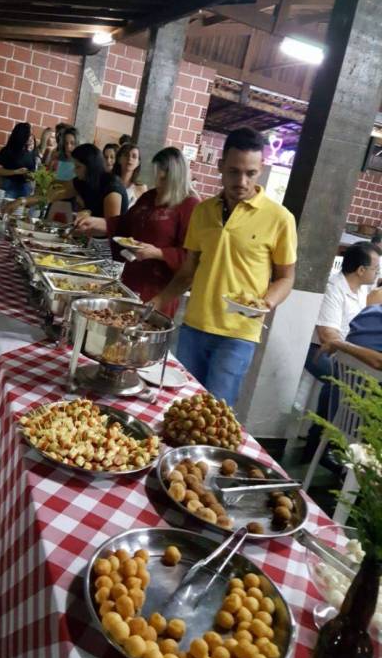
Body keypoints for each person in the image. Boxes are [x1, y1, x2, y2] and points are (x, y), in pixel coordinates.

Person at [147, 127, 297, 406]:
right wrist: (159, 300)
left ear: (261, 169)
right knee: (184, 404)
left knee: (215, 411)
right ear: (220, 166)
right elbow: (188, 270)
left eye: (250, 173)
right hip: (194, 326)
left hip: (238, 334)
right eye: (233, 171)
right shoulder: (203, 211)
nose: (242, 181)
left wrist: (266, 302)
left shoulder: (280, 218)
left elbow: (286, 278)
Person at [75, 147, 199, 316]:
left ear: (177, 177)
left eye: (164, 179)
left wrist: (158, 253)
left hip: (159, 290)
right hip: (130, 280)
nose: (158, 184)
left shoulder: (190, 205)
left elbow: (191, 257)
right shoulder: (149, 197)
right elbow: (124, 224)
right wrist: (97, 222)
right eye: (156, 178)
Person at [301, 241, 380, 462]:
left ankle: (336, 446)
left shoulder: (363, 289)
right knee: (339, 379)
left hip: (347, 352)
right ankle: (320, 444)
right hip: (318, 351)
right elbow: (328, 337)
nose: (377, 274)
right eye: (375, 269)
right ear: (361, 270)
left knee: (358, 380)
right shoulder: (334, 288)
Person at [52, 143, 128, 220]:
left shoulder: (112, 186)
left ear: (90, 167)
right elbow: (58, 191)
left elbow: (111, 224)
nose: (74, 171)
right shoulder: (83, 180)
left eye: (78, 167)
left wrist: (87, 217)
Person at [0, 122, 36, 199]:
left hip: (25, 188)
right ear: (22, 135)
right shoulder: (7, 151)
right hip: (9, 186)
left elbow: (32, 172)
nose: (31, 137)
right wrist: (15, 172)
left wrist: (30, 176)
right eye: (29, 134)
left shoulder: (31, 152)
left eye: (32, 134)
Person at [113, 142, 147, 208]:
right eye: (126, 155)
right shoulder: (110, 182)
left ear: (138, 163)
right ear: (119, 159)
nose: (130, 159)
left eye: (134, 156)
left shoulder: (141, 188)